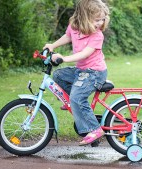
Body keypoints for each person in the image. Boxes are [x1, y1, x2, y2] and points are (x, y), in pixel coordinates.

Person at [43, 0, 110, 146]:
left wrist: (64, 58)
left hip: (94, 72)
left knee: (77, 98)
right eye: (96, 19)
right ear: (84, 17)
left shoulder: (97, 35)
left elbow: (85, 54)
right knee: (58, 76)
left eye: (102, 19)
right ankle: (72, 102)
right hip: (82, 71)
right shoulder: (75, 26)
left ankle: (94, 129)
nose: (100, 23)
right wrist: (52, 45)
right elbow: (67, 37)